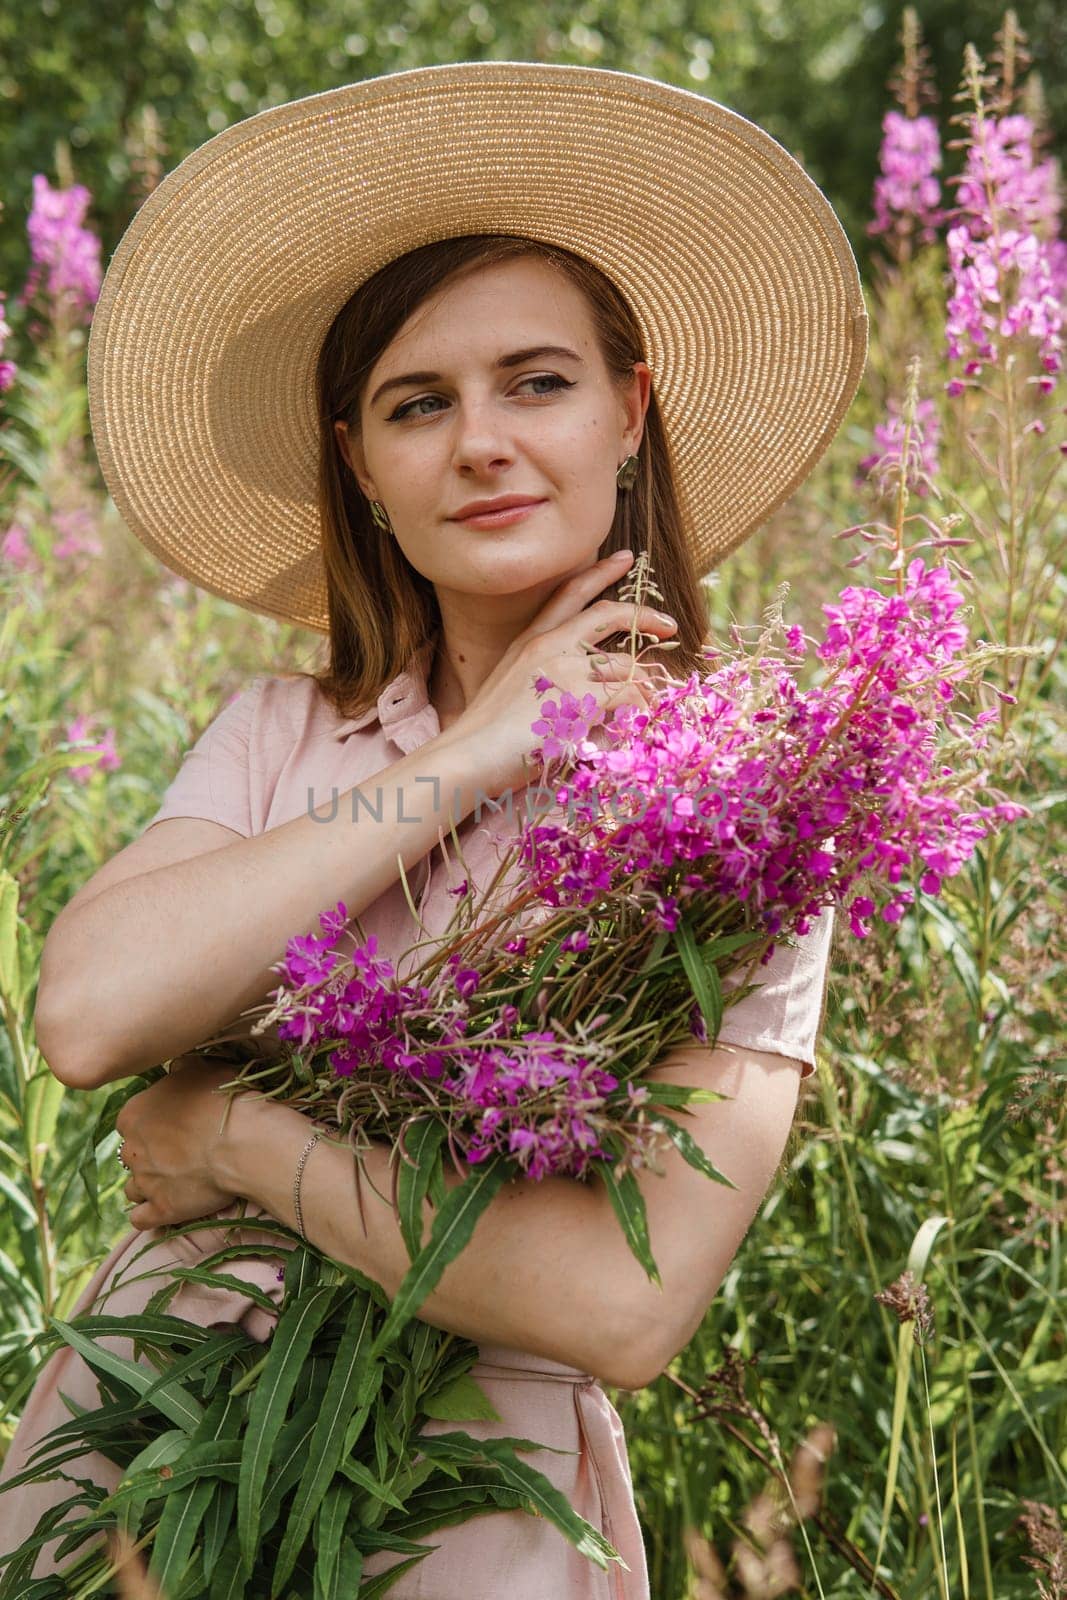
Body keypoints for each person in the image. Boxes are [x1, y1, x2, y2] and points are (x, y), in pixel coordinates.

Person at [0, 62, 866, 1594]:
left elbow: (619, 1305)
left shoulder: (749, 822)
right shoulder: (284, 734)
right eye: (419, 403)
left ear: (628, 410)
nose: (480, 442)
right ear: (360, 462)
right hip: (140, 1459)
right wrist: (472, 752)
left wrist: (240, 1140)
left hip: (465, 1514)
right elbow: (82, 1014)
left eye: (536, 382)